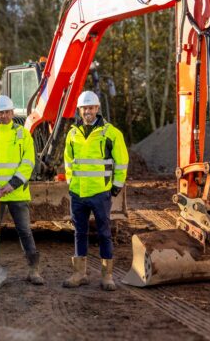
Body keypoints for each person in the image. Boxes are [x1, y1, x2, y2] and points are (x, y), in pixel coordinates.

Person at [0, 95, 44, 285]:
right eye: (0, 112)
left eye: (6, 112)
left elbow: (28, 162)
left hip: (17, 192)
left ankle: (33, 270)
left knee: (24, 230)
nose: (3, 115)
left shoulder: (23, 134)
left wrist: (11, 185)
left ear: (12, 113)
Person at [62, 91, 128, 291]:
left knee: (104, 233)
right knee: (79, 233)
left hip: (100, 193)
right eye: (84, 108)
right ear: (80, 110)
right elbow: (68, 161)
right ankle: (79, 274)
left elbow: (122, 161)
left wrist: (116, 186)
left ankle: (107, 276)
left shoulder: (111, 133)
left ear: (97, 109)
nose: (87, 111)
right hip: (78, 193)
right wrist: (71, 182)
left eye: (91, 108)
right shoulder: (72, 133)